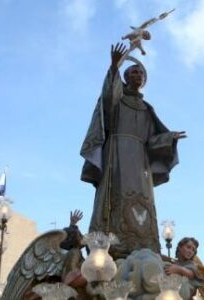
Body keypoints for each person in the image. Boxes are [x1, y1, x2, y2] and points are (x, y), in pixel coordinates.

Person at [80, 43, 186, 259]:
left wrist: (169, 137)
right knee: (115, 194)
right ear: (126, 77)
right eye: (134, 71)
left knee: (142, 199)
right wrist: (113, 68)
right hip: (116, 155)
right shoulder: (117, 100)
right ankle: (110, 242)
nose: (138, 74)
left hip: (140, 163)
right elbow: (108, 102)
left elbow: (151, 141)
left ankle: (142, 242)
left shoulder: (147, 109)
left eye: (141, 73)